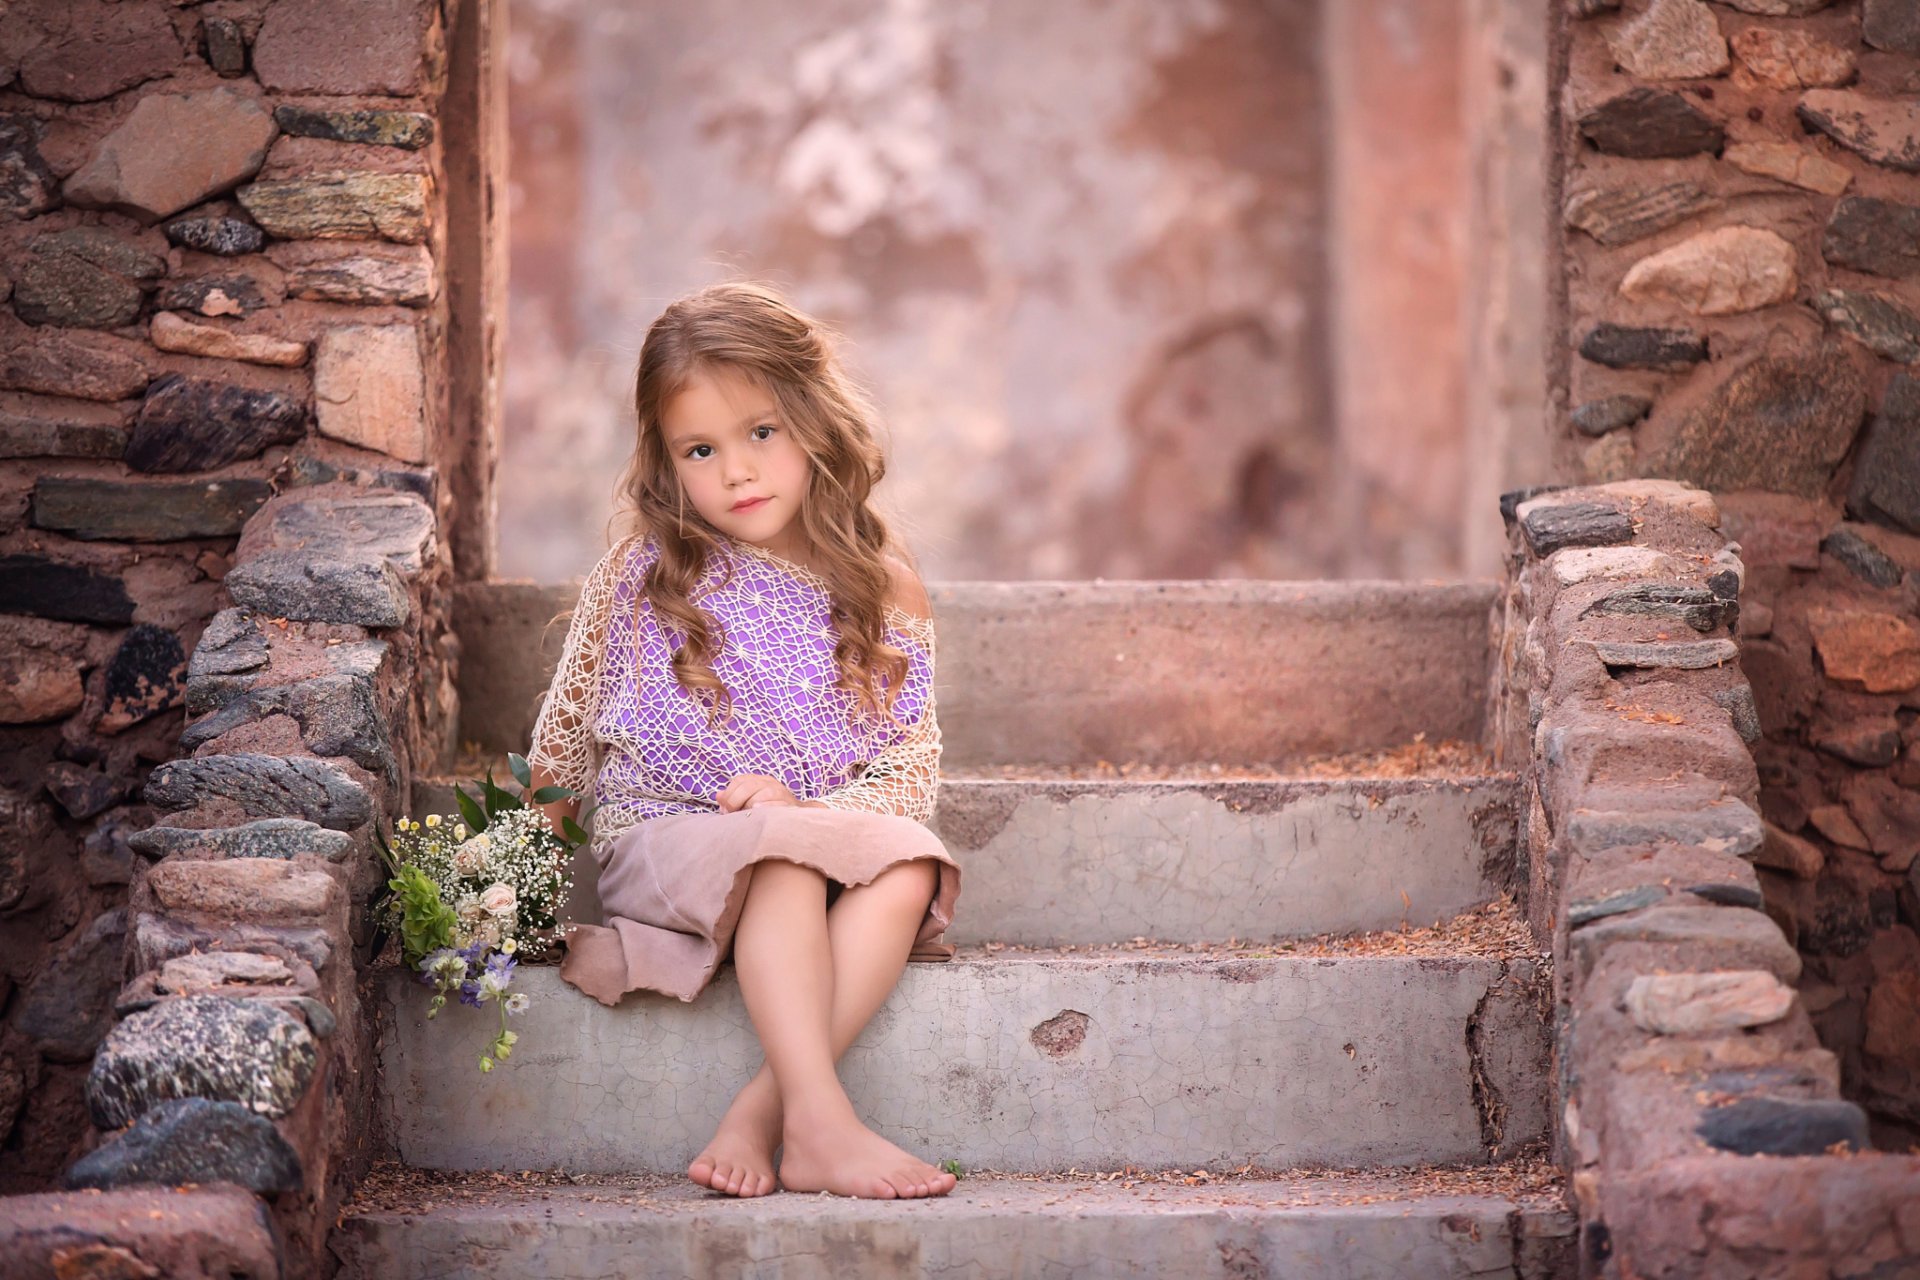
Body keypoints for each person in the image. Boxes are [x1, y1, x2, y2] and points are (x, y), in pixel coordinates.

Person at [523, 281, 962, 1202]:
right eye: (701, 449)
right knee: (784, 858)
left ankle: (772, 1116)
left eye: (761, 432)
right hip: (666, 836)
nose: (736, 471)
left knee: (911, 862)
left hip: (802, 829)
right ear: (667, 461)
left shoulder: (883, 589)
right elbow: (562, 738)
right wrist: (514, 881)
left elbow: (911, 764)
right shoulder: (644, 574)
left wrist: (804, 809)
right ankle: (827, 1121)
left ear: (813, 418)